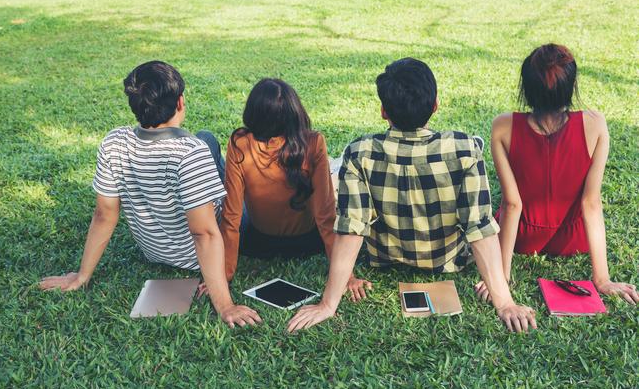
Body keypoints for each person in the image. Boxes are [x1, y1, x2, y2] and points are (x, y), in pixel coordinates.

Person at [288, 58, 537, 333]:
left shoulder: (359, 152)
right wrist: (504, 303)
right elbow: (479, 227)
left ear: (384, 111)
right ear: (435, 105)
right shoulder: (465, 149)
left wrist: (328, 304)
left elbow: (352, 229)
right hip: (448, 261)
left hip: (385, 258)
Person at [40, 61, 262, 328]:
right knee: (239, 186)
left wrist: (81, 276)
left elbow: (103, 215)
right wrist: (225, 305)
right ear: (180, 102)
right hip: (196, 257)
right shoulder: (191, 152)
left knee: (206, 138)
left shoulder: (114, 141)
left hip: (155, 251)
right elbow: (204, 233)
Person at [475, 44, 638, 304]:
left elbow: (512, 204)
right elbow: (591, 203)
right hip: (574, 240)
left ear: (526, 90)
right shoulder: (596, 124)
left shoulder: (502, 127)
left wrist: (502, 275)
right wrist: (602, 280)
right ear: (571, 88)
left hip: (523, 240)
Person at [220, 78, 370, 299]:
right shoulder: (313, 141)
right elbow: (325, 215)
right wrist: (346, 275)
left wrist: (224, 275)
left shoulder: (239, 142)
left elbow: (231, 216)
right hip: (309, 243)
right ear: (295, 112)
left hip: (258, 243)